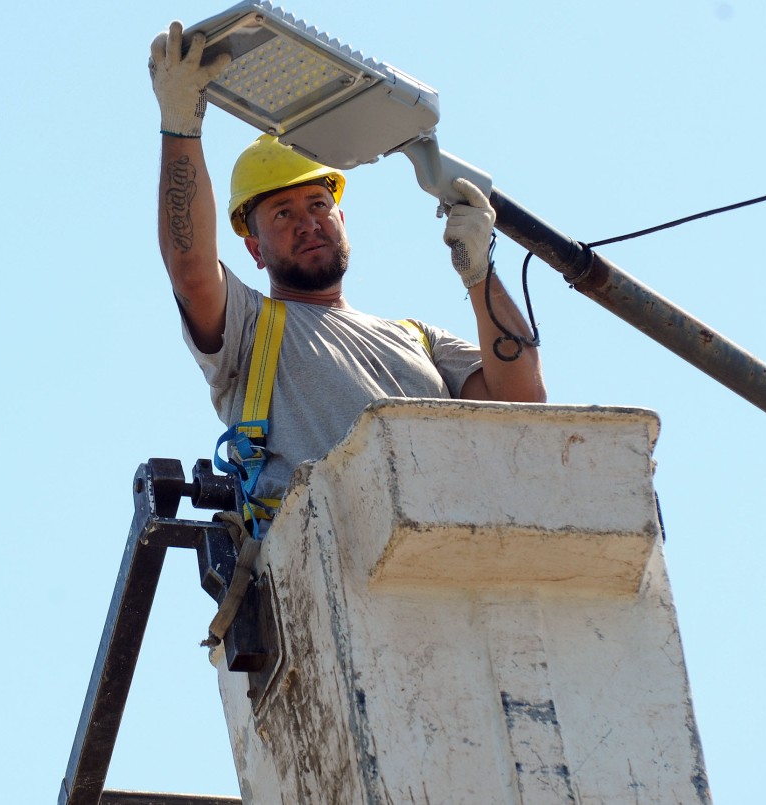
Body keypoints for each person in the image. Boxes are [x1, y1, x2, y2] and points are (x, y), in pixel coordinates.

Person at [150, 21, 546, 519]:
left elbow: (523, 406)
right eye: (283, 214)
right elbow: (190, 271)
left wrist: (480, 273)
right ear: (254, 249)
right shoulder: (251, 329)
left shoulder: (416, 338)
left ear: (343, 218)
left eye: (318, 204)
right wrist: (181, 123)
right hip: (328, 555)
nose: (309, 223)